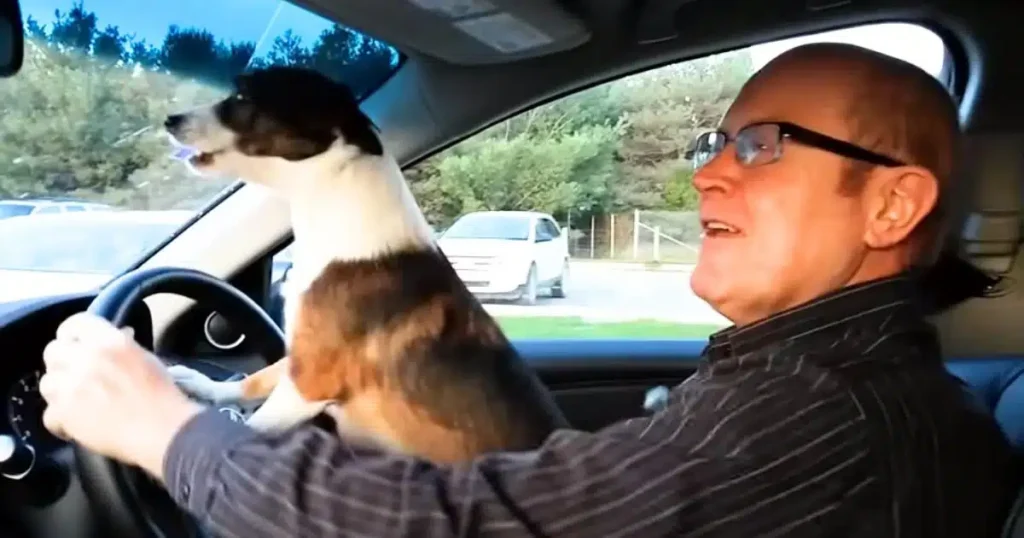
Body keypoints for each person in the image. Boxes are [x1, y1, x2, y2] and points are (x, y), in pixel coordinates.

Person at [38, 42, 1018, 537]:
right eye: (711, 144)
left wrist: (171, 435)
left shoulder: (815, 416)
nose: (707, 175)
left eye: (757, 147)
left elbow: (469, 528)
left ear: (891, 205)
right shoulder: (809, 388)